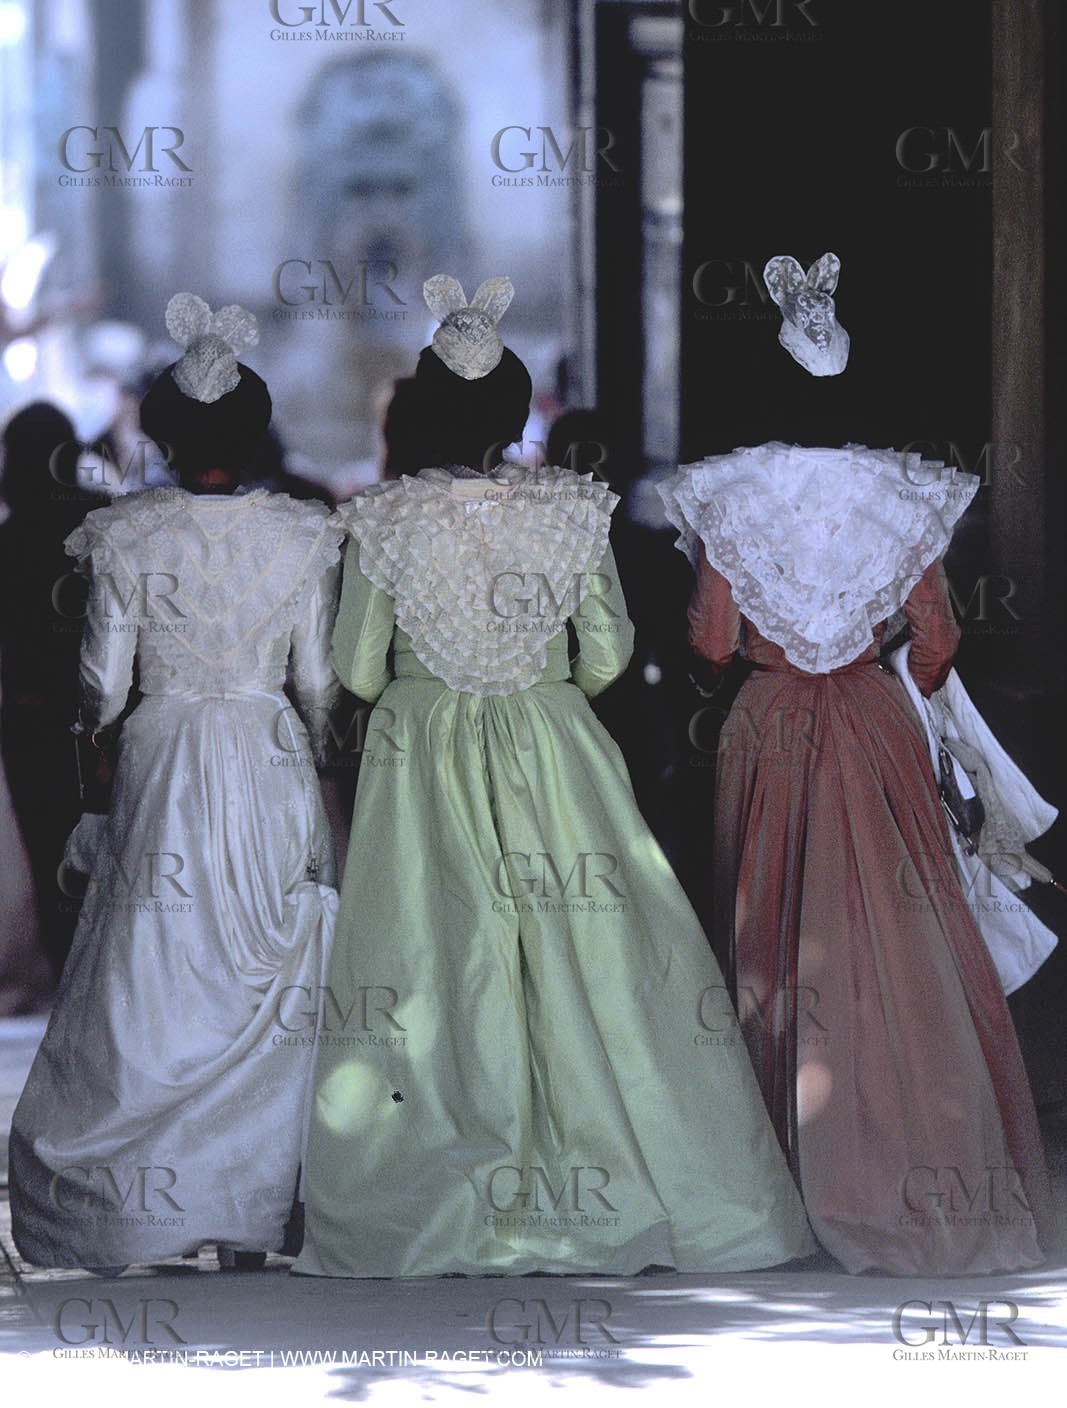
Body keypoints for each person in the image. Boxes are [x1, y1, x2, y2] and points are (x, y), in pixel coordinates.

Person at [294, 274, 813, 1279]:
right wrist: (531, 679)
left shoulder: (383, 522)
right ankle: (627, 1175)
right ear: (514, 410)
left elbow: (357, 668)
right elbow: (608, 654)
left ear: (425, 410)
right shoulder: (572, 509)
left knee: (439, 956)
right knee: (591, 961)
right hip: (552, 745)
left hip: (423, 756)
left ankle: (445, 1185)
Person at [658, 252, 1053, 1275]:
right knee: (898, 938)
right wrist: (894, 688)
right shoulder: (898, 491)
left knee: (775, 934)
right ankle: (914, 1156)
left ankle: (791, 1171)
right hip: (872, 718)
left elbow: (708, 639)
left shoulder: (727, 490)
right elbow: (937, 634)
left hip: (771, 723)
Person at [8, 294, 341, 1272]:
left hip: (162, 755)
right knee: (262, 970)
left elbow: (102, 682)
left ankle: (148, 1203)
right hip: (265, 748)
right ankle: (254, 1201)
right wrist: (316, 752)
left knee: (153, 967)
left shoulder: (129, 535)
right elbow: (317, 679)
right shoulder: (300, 532)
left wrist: (98, 743)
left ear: (164, 430)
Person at [0, 404, 106, 974]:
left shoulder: (8, 540)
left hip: (32, 724)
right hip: (104, 723)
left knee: (52, 862)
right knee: (115, 862)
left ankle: (70, 981)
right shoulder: (102, 523)